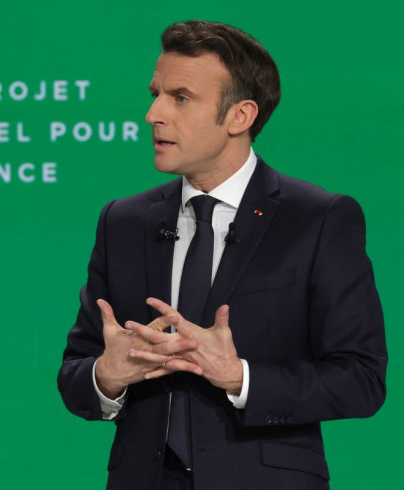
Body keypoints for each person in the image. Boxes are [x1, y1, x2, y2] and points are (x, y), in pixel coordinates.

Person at [57, 20, 387, 490]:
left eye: (181, 98)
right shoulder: (123, 221)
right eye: (155, 94)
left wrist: (240, 377)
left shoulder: (317, 219)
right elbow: (76, 373)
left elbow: (361, 379)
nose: (153, 114)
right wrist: (106, 376)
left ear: (240, 116)